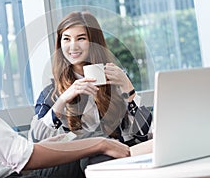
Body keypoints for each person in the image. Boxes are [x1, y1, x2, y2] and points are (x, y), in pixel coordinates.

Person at [0, 0, 133, 178]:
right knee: (94, 156)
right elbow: (22, 156)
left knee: (91, 153)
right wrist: (99, 144)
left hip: (8, 170)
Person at [28, 11, 153, 177]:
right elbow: (35, 142)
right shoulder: (51, 93)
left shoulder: (114, 84)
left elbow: (144, 134)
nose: (73, 46)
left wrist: (128, 89)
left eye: (81, 38)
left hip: (110, 159)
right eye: (66, 39)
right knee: (97, 155)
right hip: (69, 165)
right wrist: (63, 100)